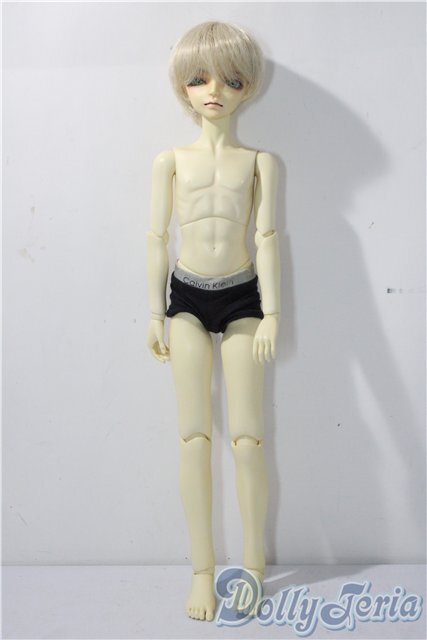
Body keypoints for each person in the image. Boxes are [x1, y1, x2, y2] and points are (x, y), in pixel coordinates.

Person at [146, 21, 280, 621]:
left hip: (243, 295)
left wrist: (273, 312)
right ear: (183, 86)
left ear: (247, 86)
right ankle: (202, 572)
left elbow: (268, 237)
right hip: (186, 298)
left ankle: (251, 570)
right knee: (193, 436)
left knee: (247, 439)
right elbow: (155, 237)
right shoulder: (170, 161)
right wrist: (155, 310)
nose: (214, 91)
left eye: (230, 80)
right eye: (199, 79)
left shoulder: (260, 163)